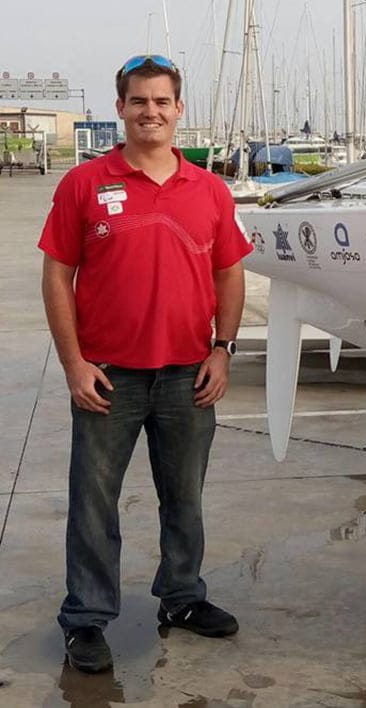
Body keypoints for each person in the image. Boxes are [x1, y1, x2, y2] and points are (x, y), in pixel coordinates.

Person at [38, 54, 253, 674]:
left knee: (184, 498)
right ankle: (86, 619)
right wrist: (74, 364)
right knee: (93, 503)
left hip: (189, 375)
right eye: (139, 101)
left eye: (161, 101)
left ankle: (182, 598)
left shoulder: (209, 189)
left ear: (178, 109)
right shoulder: (83, 184)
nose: (150, 112)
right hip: (107, 376)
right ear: (121, 109)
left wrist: (224, 349)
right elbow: (57, 274)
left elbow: (229, 273)